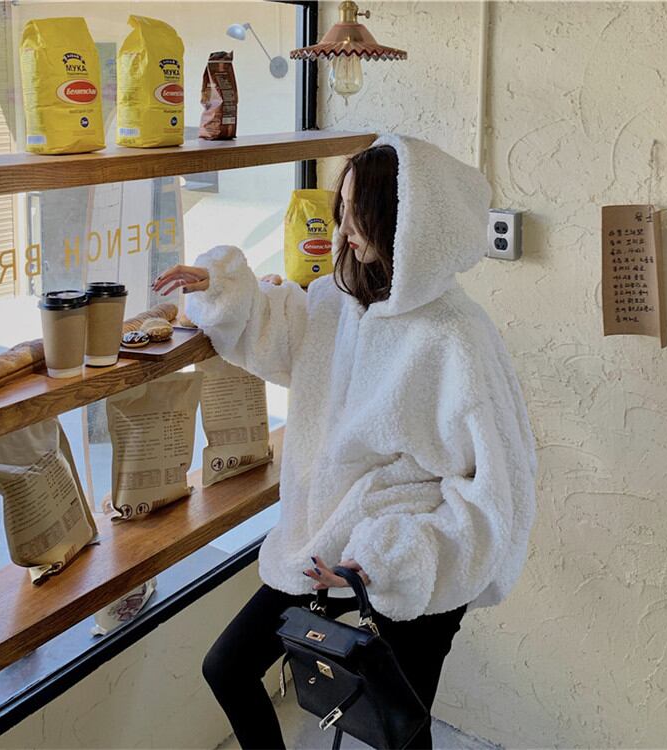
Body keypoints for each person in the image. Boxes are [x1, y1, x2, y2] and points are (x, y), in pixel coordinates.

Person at [152, 133, 538, 749]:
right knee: (228, 667)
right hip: (325, 535)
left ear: (407, 222)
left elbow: (499, 485)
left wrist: (399, 555)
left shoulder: (456, 336)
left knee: (400, 731)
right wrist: (220, 289)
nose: (346, 228)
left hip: (410, 550)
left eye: (361, 213)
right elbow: (279, 332)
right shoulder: (339, 299)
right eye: (344, 209)